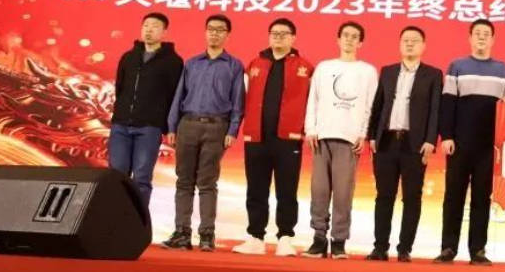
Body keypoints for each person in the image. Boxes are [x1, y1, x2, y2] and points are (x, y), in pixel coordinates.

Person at [161, 14, 245, 252]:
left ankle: (207, 234)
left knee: (207, 182)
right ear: (205, 32)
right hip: (187, 124)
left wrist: (232, 129)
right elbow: (179, 96)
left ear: (228, 35)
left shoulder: (234, 65)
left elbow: (238, 101)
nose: (214, 33)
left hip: (217, 127)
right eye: (211, 29)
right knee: (184, 181)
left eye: (220, 30)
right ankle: (181, 233)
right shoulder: (192, 63)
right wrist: (171, 126)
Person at [435, 19, 505, 266]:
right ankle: (448, 247)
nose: (481, 37)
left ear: (493, 39)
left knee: (482, 198)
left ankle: (478, 250)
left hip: (488, 147)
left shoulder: (504, 70)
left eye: (486, 34)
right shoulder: (457, 66)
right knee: (453, 196)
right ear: (470, 38)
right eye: (477, 33)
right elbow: (447, 104)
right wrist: (447, 136)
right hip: (459, 143)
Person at [232, 18, 312, 256]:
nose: (278, 37)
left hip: (288, 139)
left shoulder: (305, 67)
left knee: (287, 191)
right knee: (256, 189)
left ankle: (285, 238)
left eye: (284, 33)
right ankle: (255, 237)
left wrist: (307, 129)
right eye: (274, 33)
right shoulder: (254, 64)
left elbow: (313, 103)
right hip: (257, 137)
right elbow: (241, 99)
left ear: (293, 38)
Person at [301, 22, 378, 260]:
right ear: (338, 39)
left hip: (349, 139)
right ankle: (318, 238)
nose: (349, 40)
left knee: (343, 193)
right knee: (319, 190)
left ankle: (339, 241)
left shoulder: (368, 71)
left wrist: (363, 133)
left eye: (354, 37)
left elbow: (371, 105)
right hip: (321, 137)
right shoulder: (324, 68)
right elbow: (313, 99)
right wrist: (310, 129)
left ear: (361, 42)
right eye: (345, 35)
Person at [366, 26, 443, 262]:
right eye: (406, 40)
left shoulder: (433, 74)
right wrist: (372, 136)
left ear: (423, 46)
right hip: (387, 141)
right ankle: (380, 247)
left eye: (415, 40)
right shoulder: (388, 71)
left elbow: (435, 110)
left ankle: (404, 249)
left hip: (415, 143)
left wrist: (430, 140)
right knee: (384, 196)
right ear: (400, 44)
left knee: (412, 197)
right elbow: (378, 105)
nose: (410, 44)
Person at [109, 12, 184, 208]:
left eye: (155, 26)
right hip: (121, 126)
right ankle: (113, 218)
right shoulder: (128, 57)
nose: (149, 30)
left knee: (141, 177)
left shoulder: (173, 62)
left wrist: (169, 126)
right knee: (116, 175)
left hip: (149, 127)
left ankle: (137, 220)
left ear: (164, 32)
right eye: (146, 26)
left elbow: (174, 96)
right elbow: (120, 88)